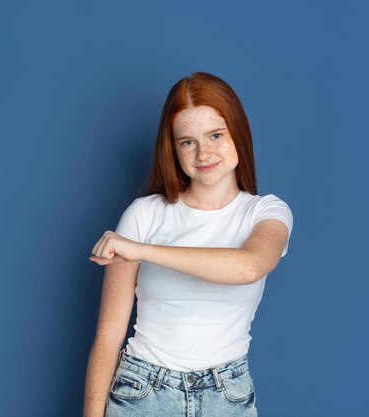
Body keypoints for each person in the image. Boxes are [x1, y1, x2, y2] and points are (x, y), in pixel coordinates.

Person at [83, 71, 293, 417]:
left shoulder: (266, 213)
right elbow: (108, 335)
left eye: (215, 135)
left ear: (237, 132)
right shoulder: (144, 215)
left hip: (227, 396)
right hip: (143, 391)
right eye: (187, 141)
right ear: (173, 148)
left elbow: (249, 265)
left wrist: (142, 250)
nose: (203, 152)